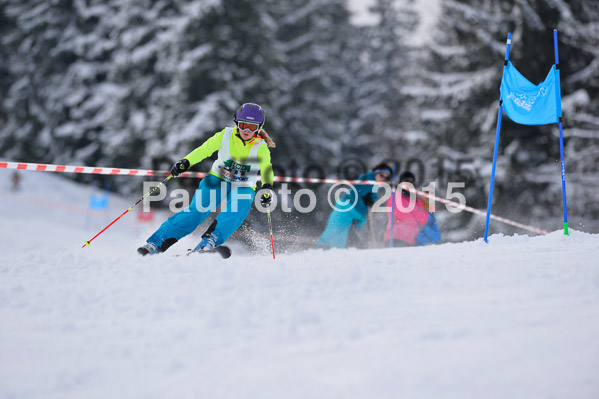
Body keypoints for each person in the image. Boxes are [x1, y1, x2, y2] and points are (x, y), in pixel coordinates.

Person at [137, 103, 275, 255]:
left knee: (238, 208)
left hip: (244, 185)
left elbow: (266, 168)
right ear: (236, 123)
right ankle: (156, 244)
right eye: (243, 125)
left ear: (258, 128)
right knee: (197, 211)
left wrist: (267, 187)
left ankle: (210, 242)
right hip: (218, 179)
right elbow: (204, 150)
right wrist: (186, 162)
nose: (247, 130)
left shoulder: (260, 146)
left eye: (252, 127)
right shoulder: (226, 135)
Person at [316, 163, 392, 249]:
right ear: (376, 173)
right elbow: (355, 194)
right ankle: (321, 249)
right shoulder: (369, 180)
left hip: (352, 213)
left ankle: (327, 250)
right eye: (381, 175)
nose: (383, 179)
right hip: (347, 210)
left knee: (345, 239)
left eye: (386, 178)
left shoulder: (374, 184)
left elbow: (368, 197)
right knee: (335, 234)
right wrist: (365, 211)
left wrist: (369, 206)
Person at [385, 170, 441, 247]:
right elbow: (404, 216)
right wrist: (421, 221)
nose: (409, 183)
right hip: (397, 237)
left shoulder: (416, 200)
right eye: (406, 181)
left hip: (410, 241)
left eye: (411, 181)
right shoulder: (395, 196)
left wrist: (421, 219)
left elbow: (435, 236)